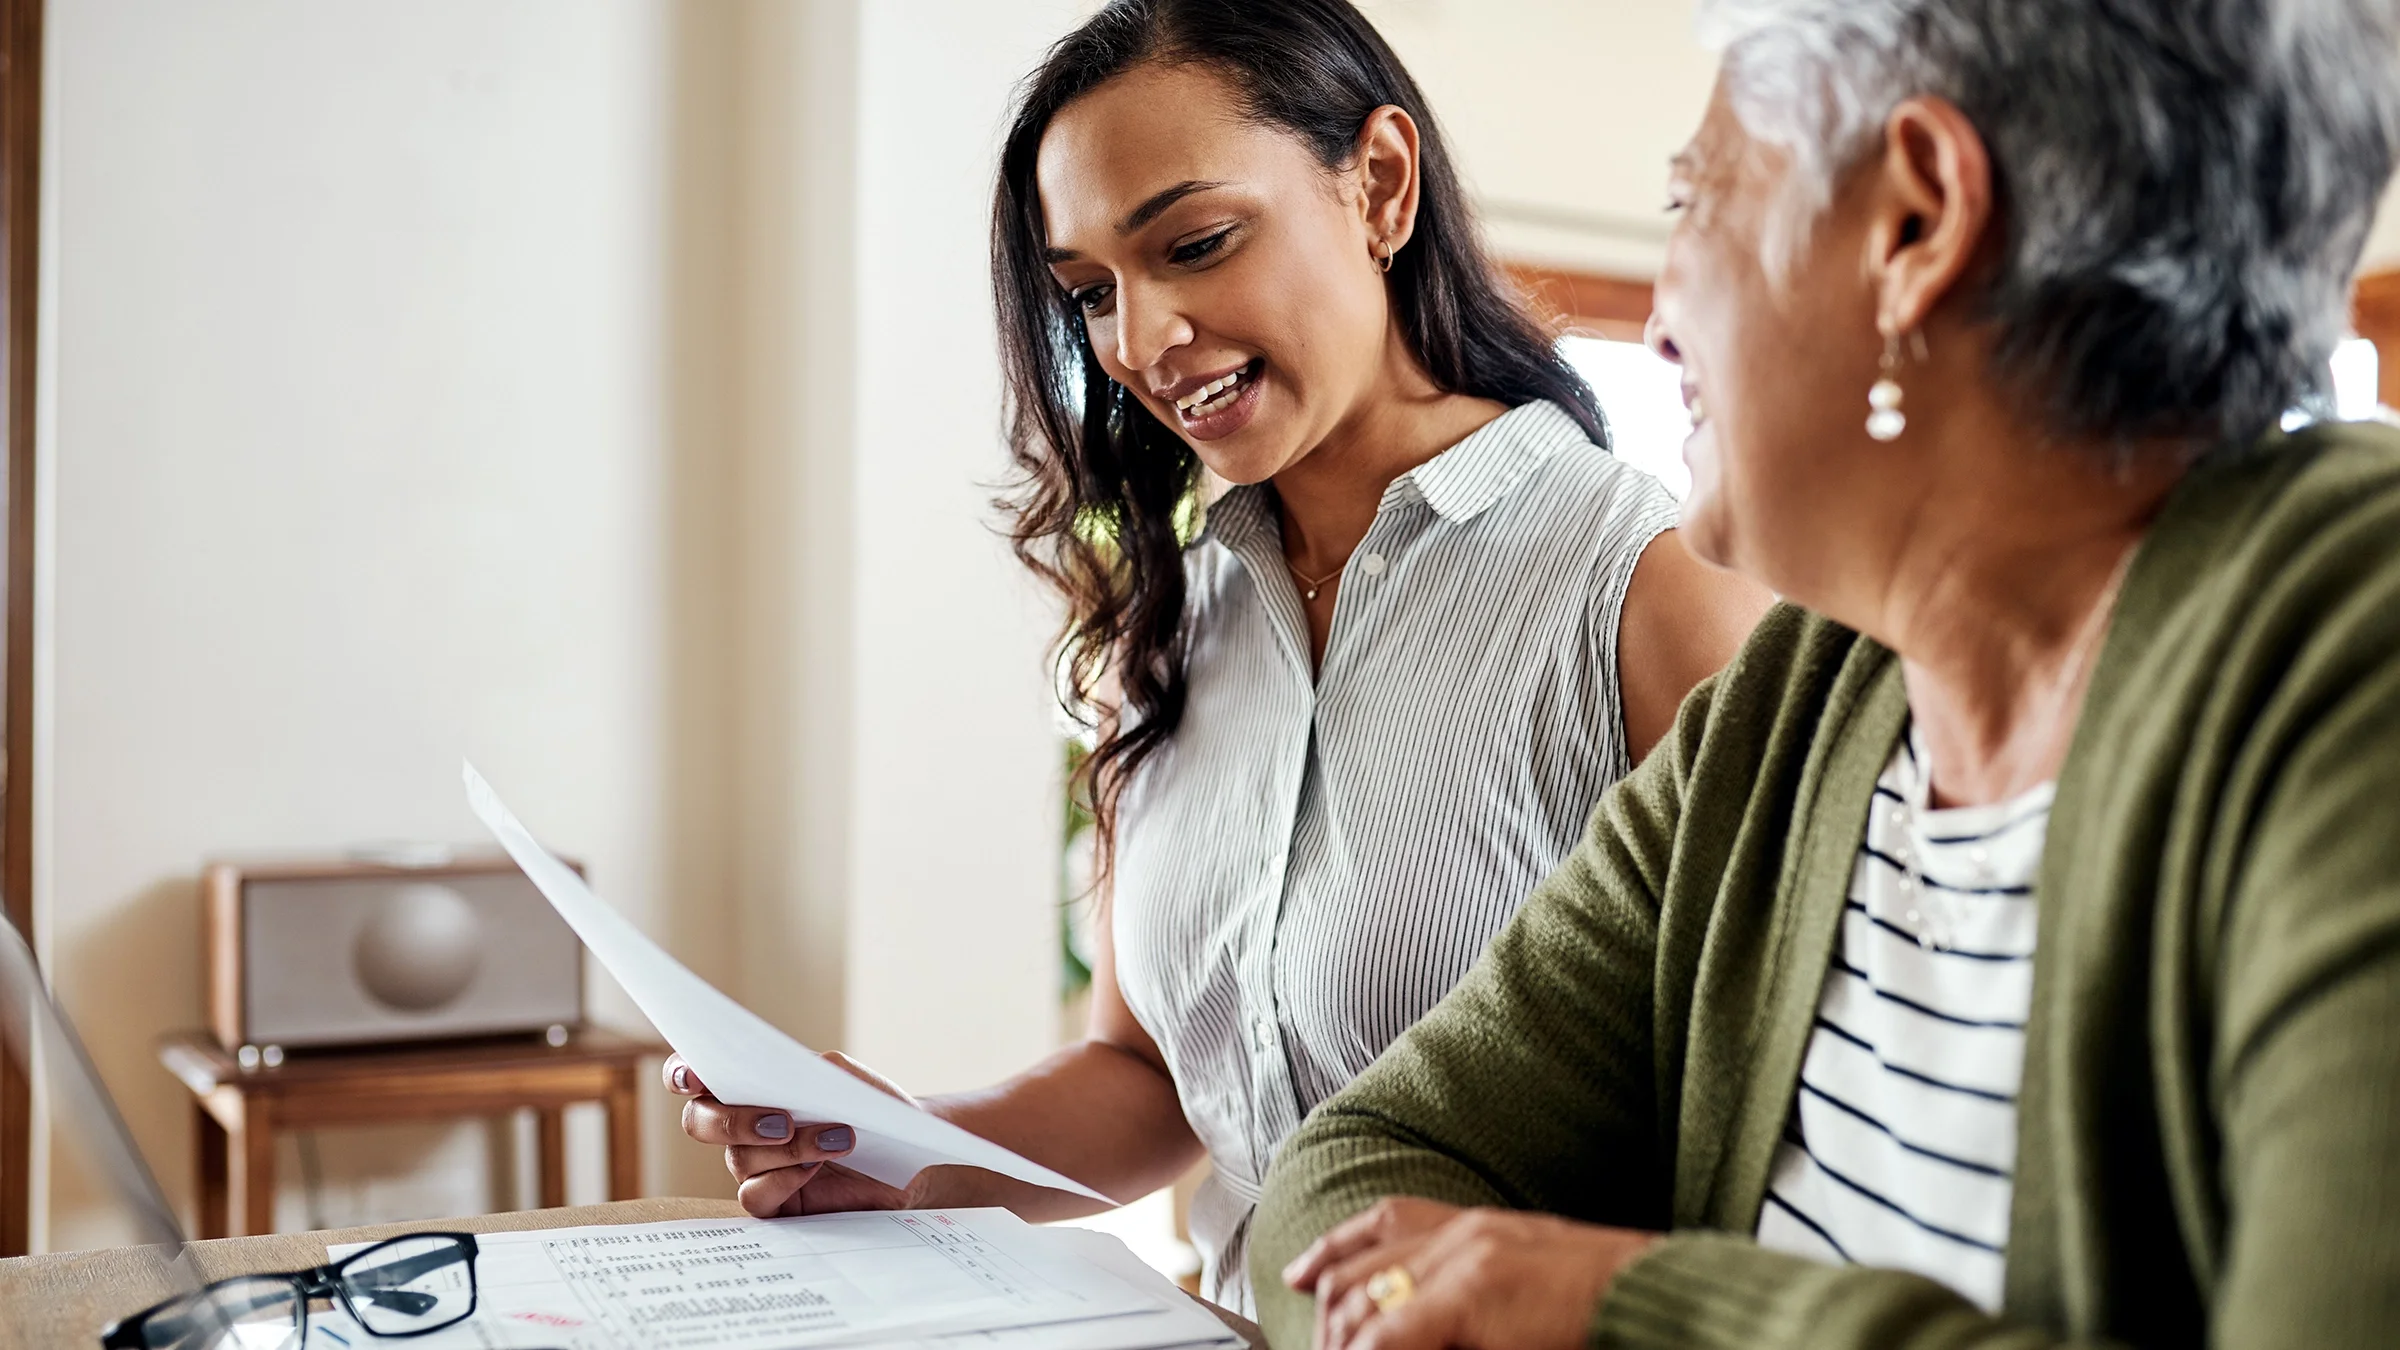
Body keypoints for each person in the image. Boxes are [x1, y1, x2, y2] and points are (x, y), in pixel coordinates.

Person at [1250, 0, 2400, 1347]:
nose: (1663, 316)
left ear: (1916, 223)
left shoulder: (2348, 638)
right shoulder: (1811, 692)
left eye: (1698, 200)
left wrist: (1622, 1307)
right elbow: (1352, 1168)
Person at [662, 0, 1771, 1318]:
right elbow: (1148, 1079)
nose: (1137, 340)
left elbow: (1763, 1135)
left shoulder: (1645, 588)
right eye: (1089, 293)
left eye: (1195, 243)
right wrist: (894, 1140)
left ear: (1381, 183)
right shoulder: (1176, 629)